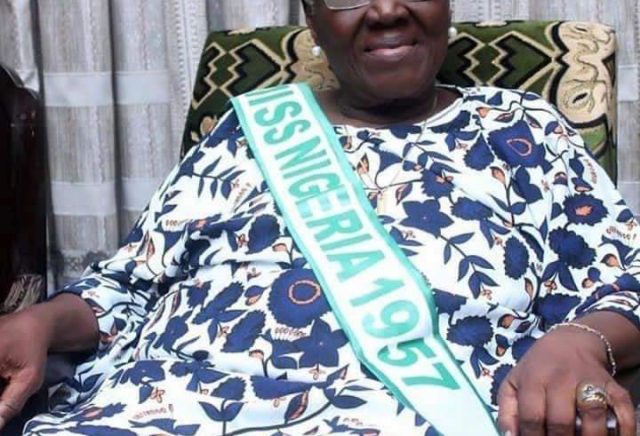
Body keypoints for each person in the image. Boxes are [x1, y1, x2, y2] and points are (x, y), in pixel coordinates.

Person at [1, 0, 639, 434]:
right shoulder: (246, 131)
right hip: (150, 409)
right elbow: (128, 285)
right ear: (312, 17)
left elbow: (622, 277)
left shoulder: (519, 128)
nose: (385, 10)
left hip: (402, 415)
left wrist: (580, 342)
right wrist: (39, 321)